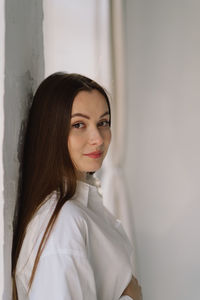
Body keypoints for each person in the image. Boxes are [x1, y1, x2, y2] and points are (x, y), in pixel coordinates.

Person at [12, 72, 142, 300]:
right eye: (79, 124)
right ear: (51, 131)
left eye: (103, 123)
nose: (98, 139)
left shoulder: (80, 205)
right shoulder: (63, 223)